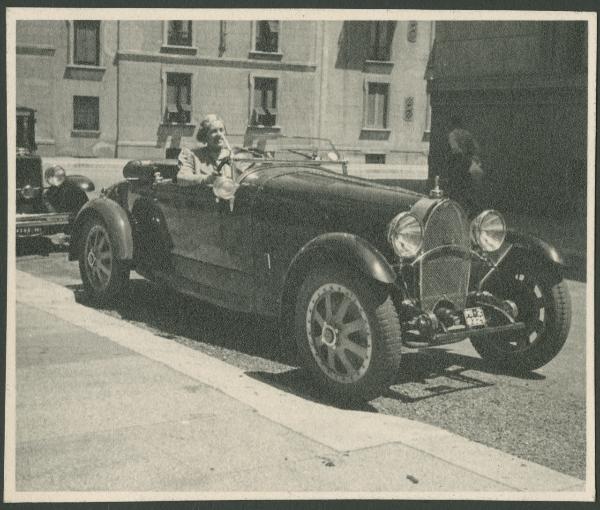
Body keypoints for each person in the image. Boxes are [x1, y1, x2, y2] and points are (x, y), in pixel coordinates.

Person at [177, 114, 241, 186]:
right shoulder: (192, 155)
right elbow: (181, 178)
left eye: (221, 130)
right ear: (204, 136)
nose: (219, 134)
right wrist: (208, 179)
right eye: (214, 131)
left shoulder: (234, 156)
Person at [446, 115, 482, 214]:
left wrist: (461, 156)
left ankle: (456, 211)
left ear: (453, 124)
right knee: (467, 188)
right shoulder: (468, 134)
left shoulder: (452, 134)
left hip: (457, 165)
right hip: (468, 164)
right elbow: (476, 148)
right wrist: (471, 158)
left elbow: (455, 149)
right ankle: (470, 210)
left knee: (455, 189)